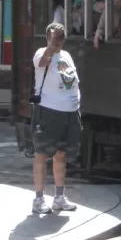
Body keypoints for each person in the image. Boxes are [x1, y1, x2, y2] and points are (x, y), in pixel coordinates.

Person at [30, 22, 80, 214]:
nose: (58, 40)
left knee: (61, 154)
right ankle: (38, 199)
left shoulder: (66, 55)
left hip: (69, 113)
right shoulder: (42, 52)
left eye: (61, 37)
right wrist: (51, 44)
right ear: (48, 38)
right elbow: (42, 62)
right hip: (48, 111)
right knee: (42, 154)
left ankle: (59, 197)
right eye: (55, 36)